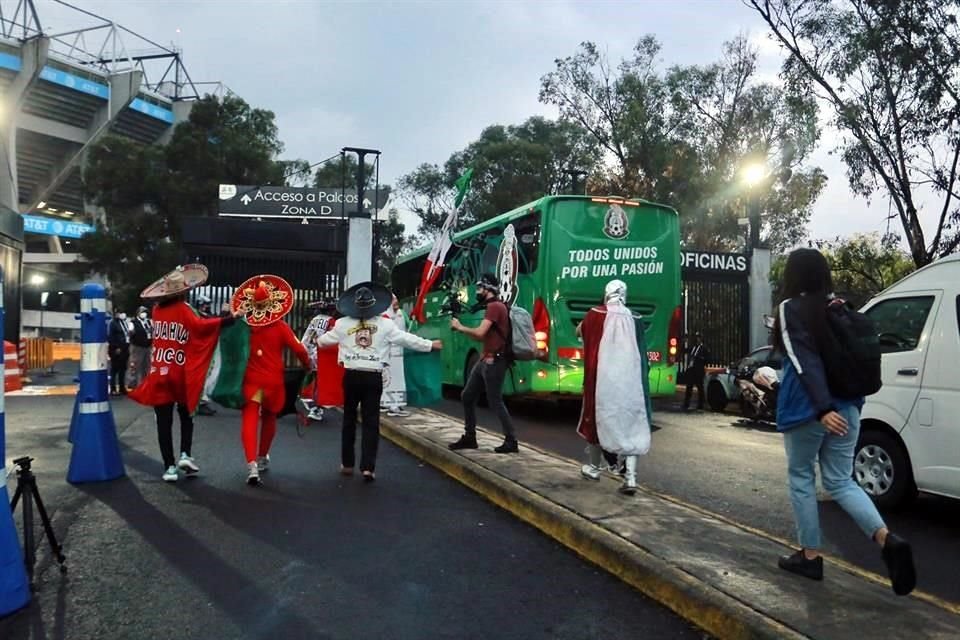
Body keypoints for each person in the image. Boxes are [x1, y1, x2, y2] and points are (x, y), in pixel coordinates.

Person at [773, 248, 915, 595]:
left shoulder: (792, 308)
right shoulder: (839, 308)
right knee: (841, 481)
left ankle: (810, 557)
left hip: (810, 409)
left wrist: (822, 408)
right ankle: (887, 539)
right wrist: (838, 407)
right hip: (849, 408)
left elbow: (803, 359)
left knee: (802, 477)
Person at [317, 282, 441, 482]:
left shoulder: (342, 324)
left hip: (351, 375)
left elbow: (322, 342)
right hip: (373, 376)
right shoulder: (385, 324)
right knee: (371, 422)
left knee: (349, 419)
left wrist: (329, 341)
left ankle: (347, 464)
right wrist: (430, 345)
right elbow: (406, 339)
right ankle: (368, 468)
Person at [128, 265, 238, 482]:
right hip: (180, 371)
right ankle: (185, 454)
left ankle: (169, 467)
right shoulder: (185, 310)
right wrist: (229, 318)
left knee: (163, 422)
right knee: (186, 414)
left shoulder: (157, 311)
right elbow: (201, 327)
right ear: (183, 291)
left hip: (159, 371)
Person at [232, 275, 312, 486]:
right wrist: (307, 365)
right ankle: (262, 456)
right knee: (269, 417)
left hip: (251, 381)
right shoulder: (281, 327)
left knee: (249, 417)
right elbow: (299, 350)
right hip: (273, 382)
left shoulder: (243, 326)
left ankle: (251, 464)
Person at [575, 280, 653, 495]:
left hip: (601, 379)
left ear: (606, 294)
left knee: (596, 420)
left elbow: (579, 332)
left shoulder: (594, 314)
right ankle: (630, 478)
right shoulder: (636, 318)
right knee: (631, 424)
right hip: (630, 382)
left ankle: (593, 468)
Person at [448, 274, 518, 453]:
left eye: (480, 288)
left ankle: (511, 440)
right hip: (485, 360)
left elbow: (480, 333)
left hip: (495, 361)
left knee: (495, 401)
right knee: (467, 396)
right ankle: (470, 437)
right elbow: (484, 336)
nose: (477, 291)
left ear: (488, 289)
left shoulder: (495, 307)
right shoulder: (493, 306)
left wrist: (460, 327)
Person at [299, 299, 340, 421]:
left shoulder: (315, 319)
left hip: (308, 349)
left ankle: (308, 398)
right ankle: (315, 404)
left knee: (312, 375)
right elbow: (333, 338)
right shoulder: (331, 321)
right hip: (319, 352)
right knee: (320, 379)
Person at [380, 293, 410, 417]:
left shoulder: (402, 314)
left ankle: (395, 404)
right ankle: (391, 405)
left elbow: (409, 327)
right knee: (388, 379)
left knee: (397, 378)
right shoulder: (383, 316)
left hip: (399, 352)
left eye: (397, 298)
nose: (396, 301)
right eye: (393, 299)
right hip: (387, 353)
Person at [196, 294, 218, 416]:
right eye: (204, 305)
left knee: (207, 375)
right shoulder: (198, 317)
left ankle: (201, 401)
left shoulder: (207, 317)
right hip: (200, 351)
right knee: (201, 377)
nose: (206, 307)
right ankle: (199, 402)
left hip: (207, 350)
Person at [682, 331, 709, 411]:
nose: (697, 339)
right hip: (691, 369)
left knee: (700, 387)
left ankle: (701, 404)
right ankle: (686, 404)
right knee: (689, 387)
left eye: (699, 337)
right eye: (696, 337)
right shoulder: (693, 347)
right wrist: (684, 342)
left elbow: (707, 359)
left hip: (698, 370)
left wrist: (698, 358)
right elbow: (684, 351)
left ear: (701, 339)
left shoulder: (704, 348)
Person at [127, 305, 152, 389]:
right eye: (142, 312)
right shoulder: (133, 322)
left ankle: (145, 383)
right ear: (138, 313)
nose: (144, 314)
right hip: (137, 347)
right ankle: (133, 383)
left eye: (145, 312)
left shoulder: (148, 322)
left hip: (147, 347)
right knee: (135, 365)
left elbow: (151, 331)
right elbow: (130, 333)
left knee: (147, 366)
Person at [108, 310, 131, 396]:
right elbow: (111, 337)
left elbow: (126, 334)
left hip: (125, 348)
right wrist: (116, 347)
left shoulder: (124, 322)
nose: (121, 314)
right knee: (114, 369)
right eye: (119, 313)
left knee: (123, 369)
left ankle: (122, 387)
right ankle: (113, 388)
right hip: (116, 349)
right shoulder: (113, 323)